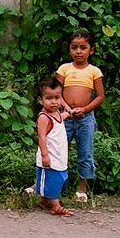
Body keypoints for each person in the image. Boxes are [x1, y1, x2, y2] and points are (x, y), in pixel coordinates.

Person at [57, 29, 105, 202]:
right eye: (74, 47)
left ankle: (82, 189)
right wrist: (67, 108)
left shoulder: (94, 71)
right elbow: (57, 92)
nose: (78, 51)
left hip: (86, 119)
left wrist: (84, 109)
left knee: (85, 153)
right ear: (69, 49)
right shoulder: (64, 69)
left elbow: (100, 96)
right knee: (59, 151)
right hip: (65, 117)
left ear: (91, 50)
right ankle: (55, 187)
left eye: (83, 47)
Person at [33, 73, 74, 217]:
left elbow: (59, 119)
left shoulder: (56, 113)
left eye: (57, 97)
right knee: (52, 180)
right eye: (49, 98)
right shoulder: (44, 117)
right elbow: (42, 137)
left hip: (59, 156)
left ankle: (45, 202)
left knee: (58, 178)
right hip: (49, 157)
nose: (54, 102)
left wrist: (68, 114)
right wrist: (45, 155)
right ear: (41, 100)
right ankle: (56, 205)